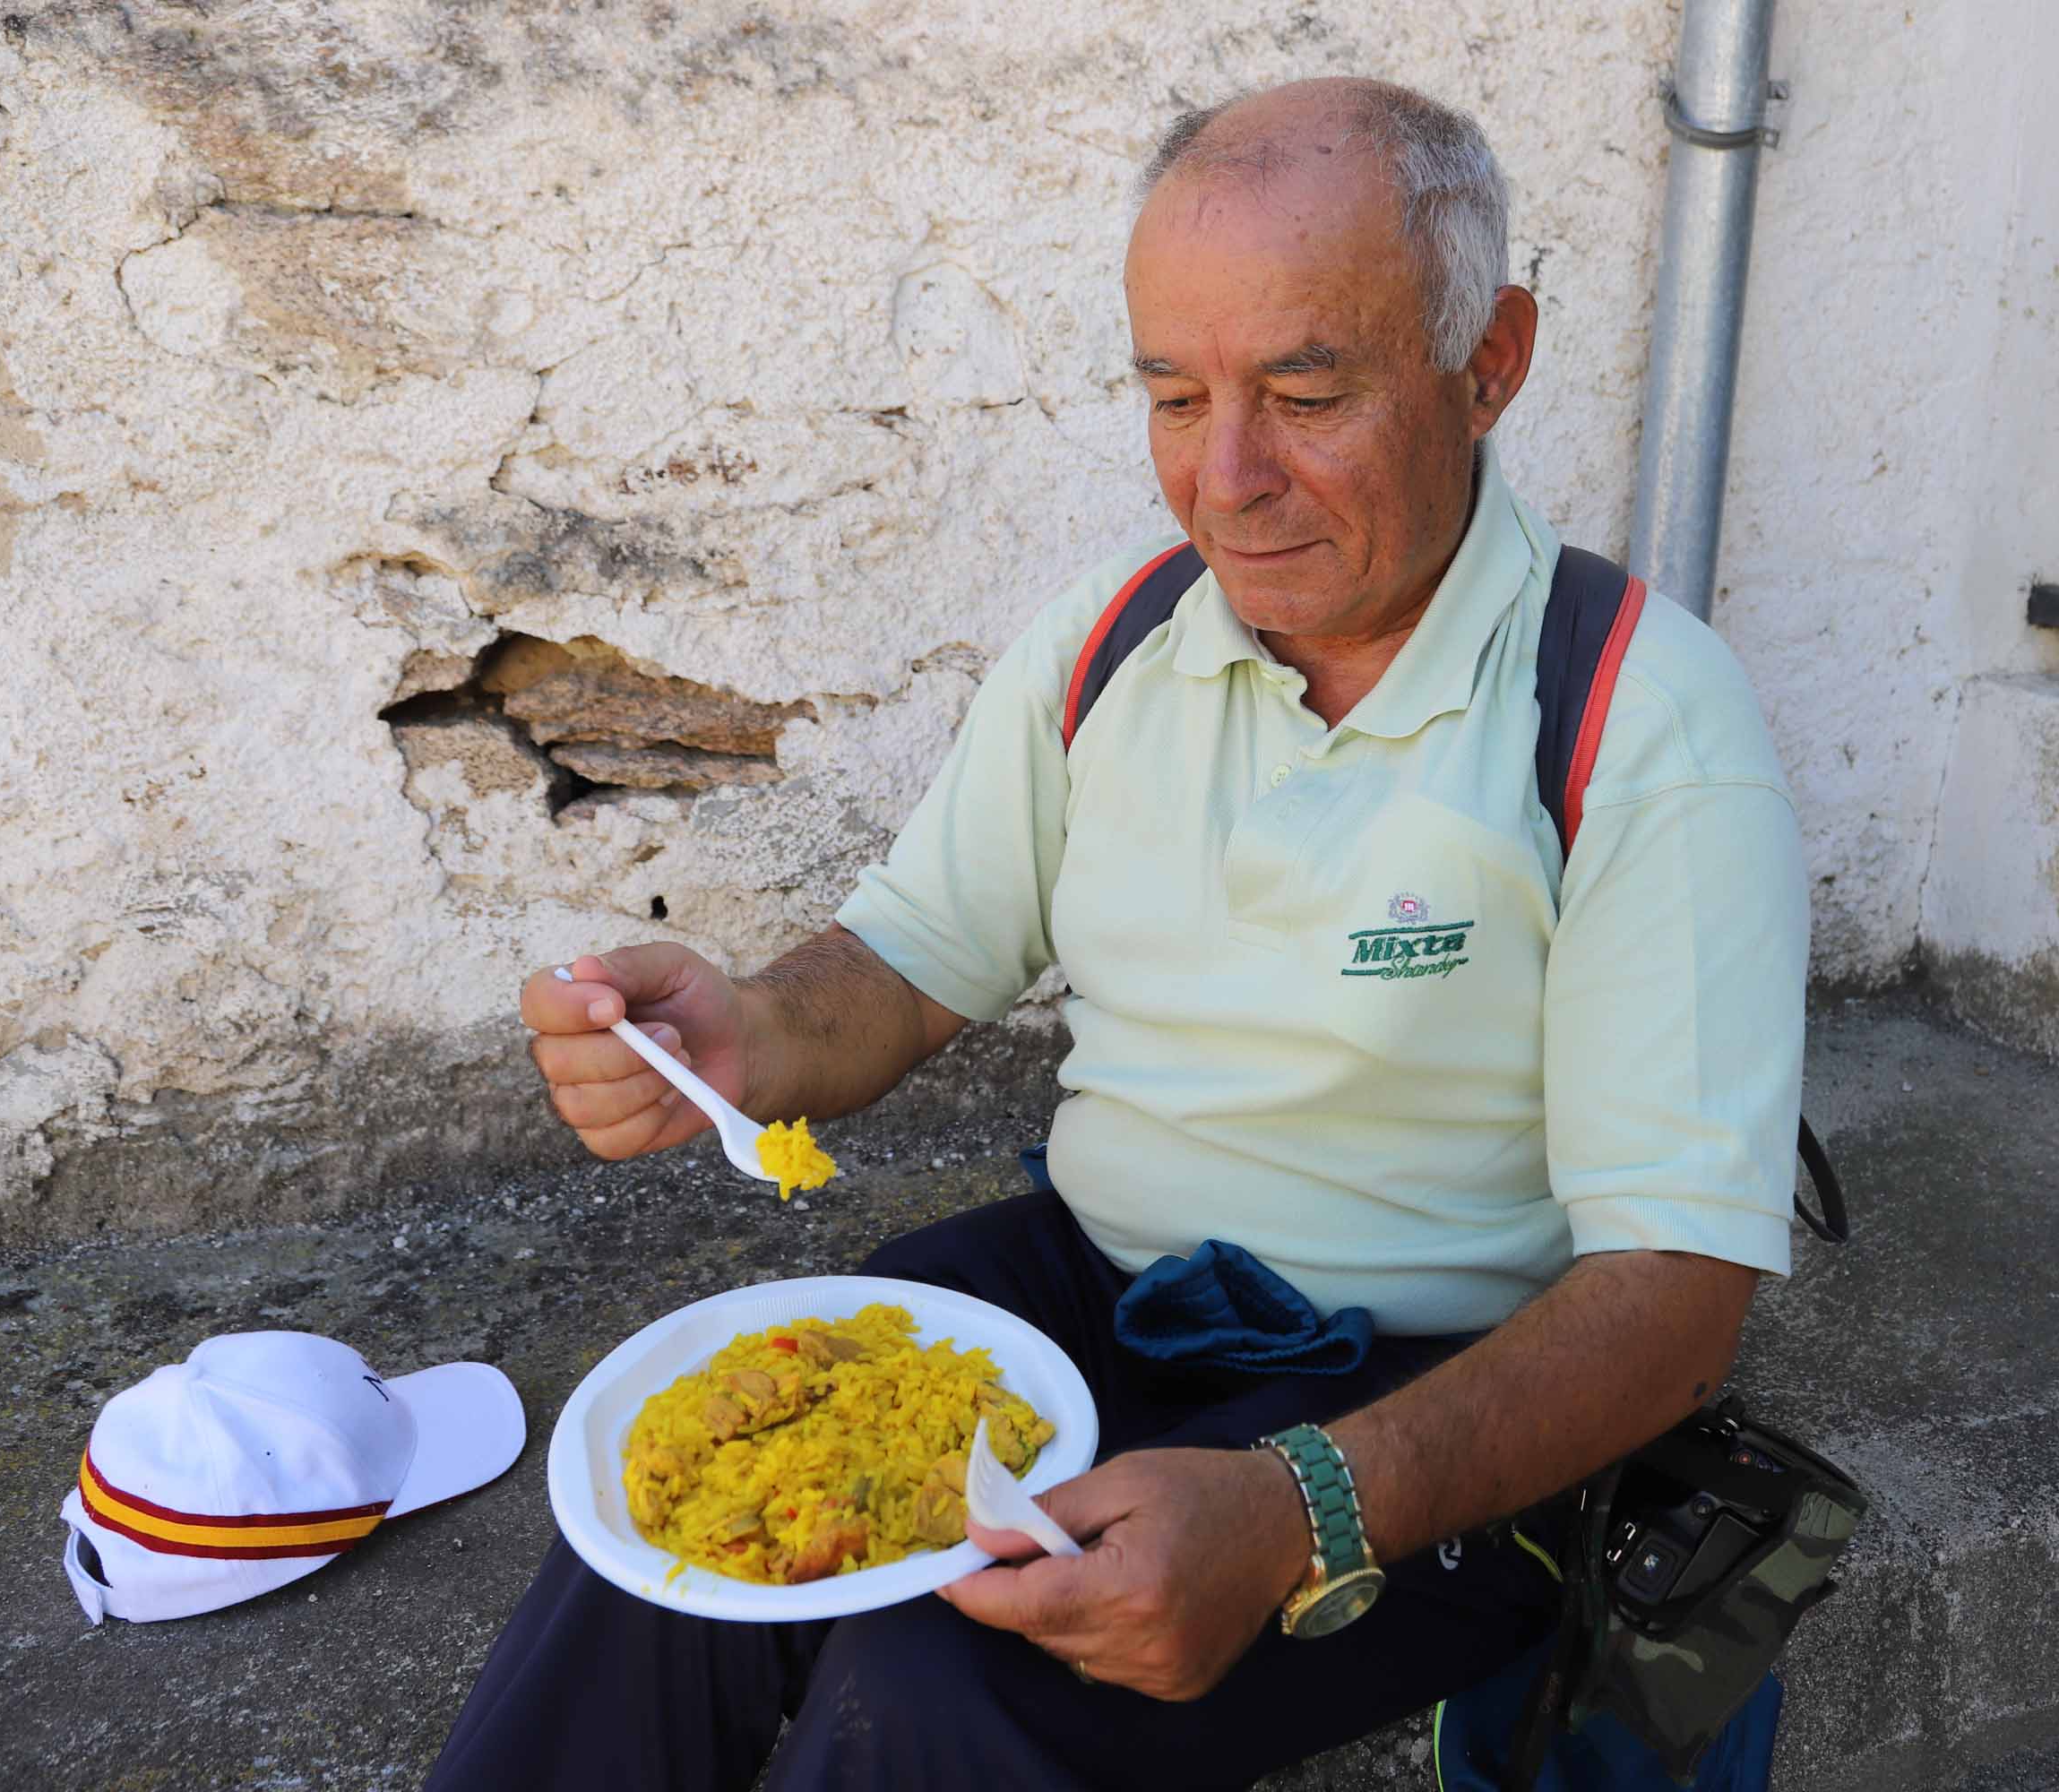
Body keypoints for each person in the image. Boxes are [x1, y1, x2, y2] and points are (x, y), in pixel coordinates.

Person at [427, 73, 1807, 1792]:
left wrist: (1299, 1506)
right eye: (1172, 393)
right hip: (1097, 1287)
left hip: (1440, 1399)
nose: (1224, 480)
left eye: (1306, 391)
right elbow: (911, 962)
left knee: (940, 1684)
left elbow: (1674, 1303)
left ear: (1492, 360)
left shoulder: (1631, 715)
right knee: (689, 1515)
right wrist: (742, 1035)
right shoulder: (1116, 646)